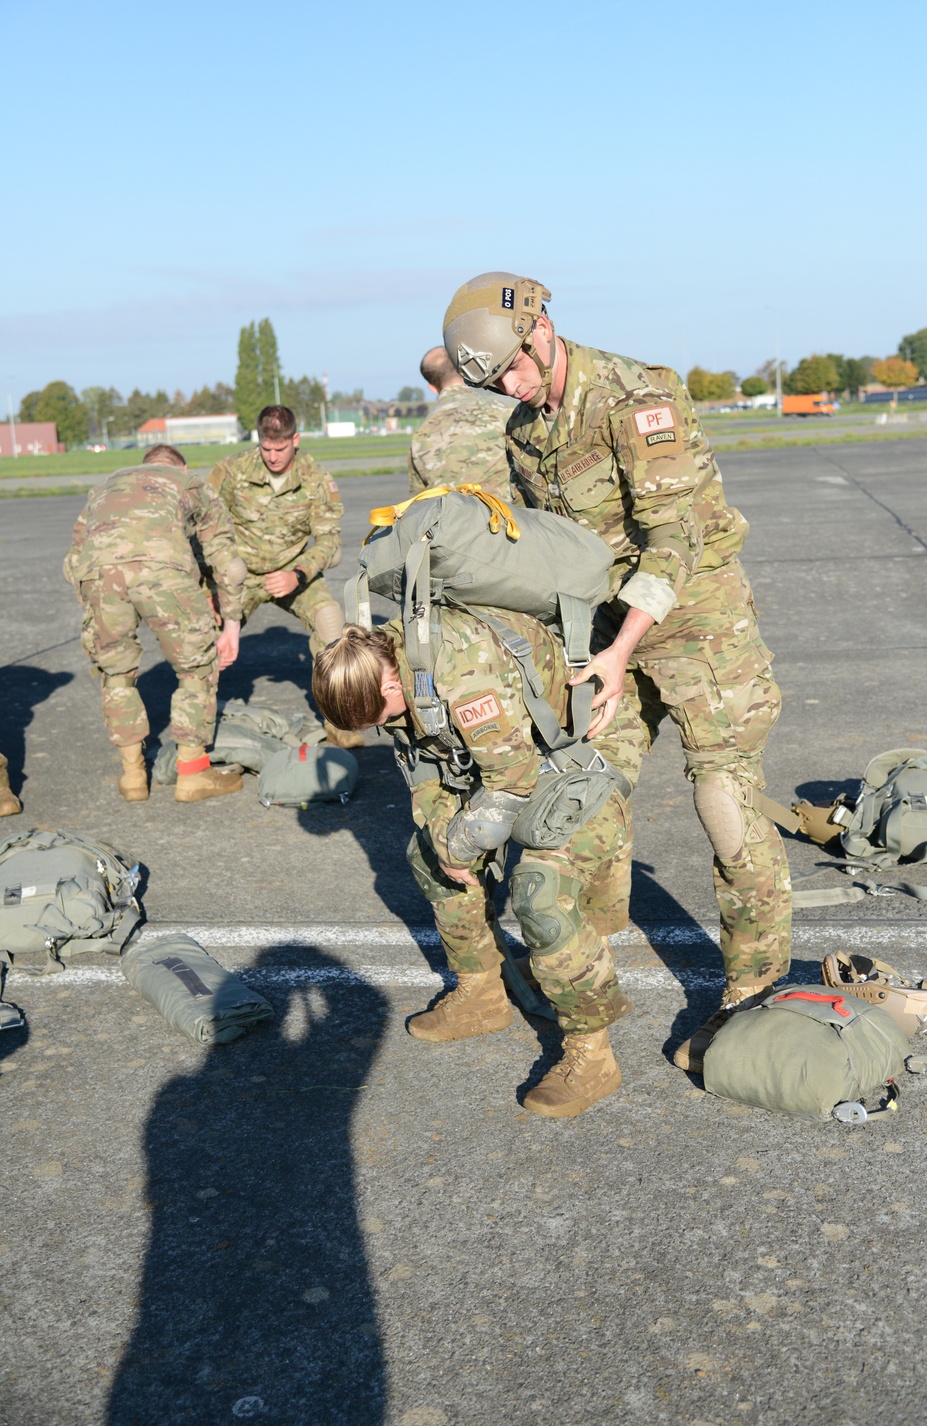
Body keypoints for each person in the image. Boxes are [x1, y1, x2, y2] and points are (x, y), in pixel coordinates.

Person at [442, 272, 792, 1073]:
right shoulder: (523, 431)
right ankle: (592, 943)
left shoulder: (637, 397)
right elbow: (559, 552)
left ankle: (753, 988)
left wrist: (619, 651)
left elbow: (671, 538)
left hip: (696, 618)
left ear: (541, 328)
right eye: (495, 383)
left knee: (724, 796)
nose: (512, 390)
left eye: (515, 371)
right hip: (605, 630)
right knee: (587, 775)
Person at [312, 610, 646, 1117]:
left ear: (389, 681)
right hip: (512, 757)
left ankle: (592, 1053)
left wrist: (461, 845)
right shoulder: (392, 670)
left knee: (540, 889)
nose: (384, 727)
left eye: (378, 717)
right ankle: (481, 993)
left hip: (583, 748)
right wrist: (445, 843)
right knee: (431, 854)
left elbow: (511, 782)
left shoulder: (459, 670)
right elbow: (426, 766)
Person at [64, 445, 246, 803]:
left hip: (100, 576)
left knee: (115, 672)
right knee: (195, 667)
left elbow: (74, 558)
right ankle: (193, 773)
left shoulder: (105, 486)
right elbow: (228, 563)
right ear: (182, 466)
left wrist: (92, 605)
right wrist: (231, 626)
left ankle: (133, 775)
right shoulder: (189, 481)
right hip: (164, 571)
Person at [207, 404, 361, 747]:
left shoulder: (316, 477)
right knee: (204, 634)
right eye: (266, 448)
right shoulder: (231, 470)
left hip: (293, 571)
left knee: (331, 622)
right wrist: (210, 587)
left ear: (296, 439)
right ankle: (199, 731)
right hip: (239, 576)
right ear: (258, 441)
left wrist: (298, 574)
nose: (273, 456)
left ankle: (338, 721)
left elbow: (328, 540)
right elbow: (207, 529)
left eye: (281, 448)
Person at [408, 346, 514, 496]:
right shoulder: (503, 414)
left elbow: (419, 501)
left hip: (448, 518)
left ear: (432, 388)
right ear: (465, 373)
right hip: (502, 516)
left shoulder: (420, 436)